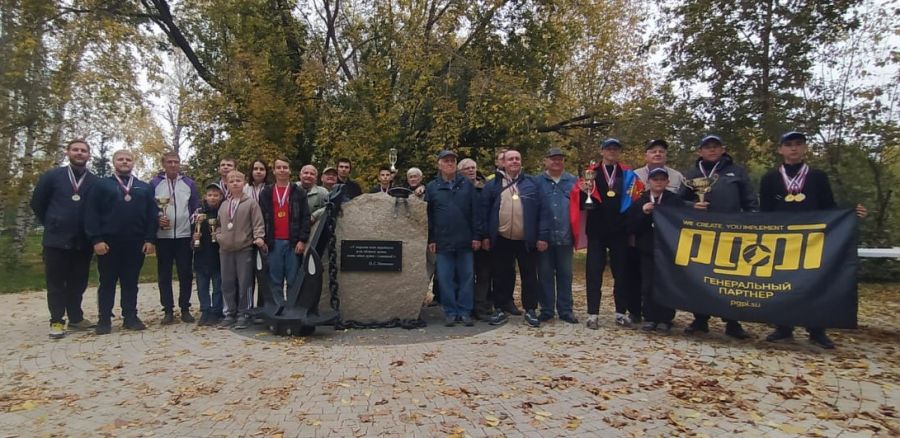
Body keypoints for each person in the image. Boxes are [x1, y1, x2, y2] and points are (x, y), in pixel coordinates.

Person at [760, 131, 868, 349]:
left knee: (814, 282)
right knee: (782, 282)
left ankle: (817, 330)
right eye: (789, 144)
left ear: (805, 148)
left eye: (798, 144)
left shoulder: (818, 176)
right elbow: (764, 212)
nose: (794, 148)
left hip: (813, 240)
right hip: (782, 240)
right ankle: (783, 327)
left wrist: (850, 214)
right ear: (780, 149)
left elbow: (829, 207)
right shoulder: (770, 178)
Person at [681, 134, 758, 339]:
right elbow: (678, 201)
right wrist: (692, 205)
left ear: (723, 149)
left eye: (716, 146)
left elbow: (750, 201)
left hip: (730, 233)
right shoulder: (692, 173)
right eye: (707, 147)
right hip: (701, 234)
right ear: (700, 151)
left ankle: (732, 322)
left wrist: (753, 222)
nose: (712, 150)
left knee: (729, 277)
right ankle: (700, 319)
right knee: (699, 276)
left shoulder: (737, 171)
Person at [570, 138, 644, 330]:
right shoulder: (591, 173)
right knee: (594, 273)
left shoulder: (627, 174)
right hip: (597, 231)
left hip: (620, 231)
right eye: (608, 148)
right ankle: (592, 314)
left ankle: (620, 313)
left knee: (621, 273)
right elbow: (579, 202)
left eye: (615, 149)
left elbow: (636, 198)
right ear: (602, 151)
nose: (612, 152)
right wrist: (583, 192)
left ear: (619, 152)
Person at [84, 149, 158, 335]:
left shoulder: (144, 187)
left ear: (133, 163)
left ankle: (130, 317)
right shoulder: (101, 185)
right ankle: (104, 319)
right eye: (120, 159)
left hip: (136, 242)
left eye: (128, 159)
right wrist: (96, 239)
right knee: (107, 282)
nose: (124, 162)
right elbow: (91, 213)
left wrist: (150, 239)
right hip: (108, 243)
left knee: (131, 282)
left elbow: (152, 215)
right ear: (114, 162)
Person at [30, 139, 98, 338]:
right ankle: (57, 321)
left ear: (88, 155)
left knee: (79, 282)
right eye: (75, 150)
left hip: (82, 241)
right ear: (68, 152)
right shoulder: (52, 176)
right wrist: (53, 222)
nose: (79, 153)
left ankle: (76, 317)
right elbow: (37, 203)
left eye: (83, 150)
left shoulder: (94, 181)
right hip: (56, 240)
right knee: (56, 283)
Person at [482, 149, 547, 327]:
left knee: (529, 276)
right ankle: (500, 309)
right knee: (500, 275)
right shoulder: (493, 184)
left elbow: (543, 211)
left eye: (517, 158)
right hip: (501, 238)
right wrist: (485, 236)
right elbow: (484, 212)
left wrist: (542, 236)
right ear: (503, 163)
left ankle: (531, 310)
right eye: (510, 159)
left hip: (526, 239)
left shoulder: (532, 183)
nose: (514, 161)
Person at [426, 150, 483, 326]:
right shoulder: (432, 187)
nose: (450, 163)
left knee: (467, 278)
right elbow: (429, 216)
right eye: (446, 161)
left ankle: (465, 312)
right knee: (445, 279)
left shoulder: (467, 185)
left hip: (465, 240)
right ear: (439, 164)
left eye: (452, 161)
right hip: (443, 242)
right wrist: (431, 239)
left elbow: (475, 212)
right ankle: (450, 312)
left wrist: (477, 236)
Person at [627, 167, 682, 332]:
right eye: (655, 179)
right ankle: (650, 317)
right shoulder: (640, 201)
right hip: (647, 249)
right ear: (648, 181)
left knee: (667, 283)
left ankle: (665, 318)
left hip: (668, 249)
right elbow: (631, 226)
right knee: (648, 284)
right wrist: (643, 213)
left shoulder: (674, 201)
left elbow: (682, 222)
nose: (658, 182)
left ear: (667, 182)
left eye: (662, 179)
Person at [150, 152, 201, 324]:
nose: (173, 165)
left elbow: (195, 207)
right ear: (163, 164)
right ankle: (168, 310)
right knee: (164, 274)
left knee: (185, 273)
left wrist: (195, 227)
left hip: (184, 236)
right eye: (169, 162)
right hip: (163, 237)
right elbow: (149, 207)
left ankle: (185, 308)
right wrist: (158, 218)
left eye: (176, 162)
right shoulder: (155, 183)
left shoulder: (188, 183)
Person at [216, 170, 266, 329]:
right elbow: (218, 224)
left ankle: (244, 313)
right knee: (227, 282)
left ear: (244, 183)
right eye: (231, 181)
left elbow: (258, 223)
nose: (235, 183)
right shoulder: (224, 205)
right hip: (225, 249)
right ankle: (229, 313)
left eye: (238, 180)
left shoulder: (251, 203)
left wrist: (259, 237)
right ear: (227, 184)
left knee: (245, 282)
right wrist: (219, 236)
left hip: (244, 248)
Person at [259, 158, 311, 309]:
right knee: (275, 279)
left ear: (290, 170)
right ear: (274, 171)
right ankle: (278, 308)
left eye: (285, 167)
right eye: (279, 167)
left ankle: (292, 309)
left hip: (293, 242)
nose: (282, 170)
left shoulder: (298, 191)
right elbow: (261, 217)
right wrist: (263, 239)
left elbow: (305, 217)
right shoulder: (266, 192)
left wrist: (302, 240)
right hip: (273, 242)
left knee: (293, 279)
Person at [536, 148, 579, 324]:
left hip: (565, 236)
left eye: (560, 159)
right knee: (545, 275)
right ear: (545, 161)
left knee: (565, 275)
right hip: (544, 238)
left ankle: (565, 310)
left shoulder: (574, 181)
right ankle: (546, 309)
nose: (557, 162)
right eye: (553, 159)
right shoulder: (537, 182)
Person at [458, 158, 492, 320]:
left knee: (484, 274)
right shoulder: (457, 188)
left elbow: (488, 213)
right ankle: (466, 306)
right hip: (464, 239)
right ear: (460, 172)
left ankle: (481, 306)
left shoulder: (485, 187)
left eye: (473, 167)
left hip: (483, 237)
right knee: (466, 276)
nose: (471, 170)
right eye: (467, 168)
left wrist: (485, 236)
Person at [192, 183, 224, 326]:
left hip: (218, 256)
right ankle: (205, 310)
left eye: (216, 195)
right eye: (210, 195)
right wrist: (194, 237)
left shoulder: (223, 212)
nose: (212, 198)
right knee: (202, 287)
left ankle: (216, 311)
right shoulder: (198, 213)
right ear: (205, 197)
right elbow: (191, 233)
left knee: (218, 287)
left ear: (220, 197)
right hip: (201, 256)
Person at [246, 159, 272, 312]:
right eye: (255, 168)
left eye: (262, 169)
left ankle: (264, 308)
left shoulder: (270, 189)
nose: (258, 171)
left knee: (264, 275)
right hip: (247, 238)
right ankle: (248, 309)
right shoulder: (245, 189)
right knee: (248, 276)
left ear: (266, 172)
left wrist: (265, 237)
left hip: (265, 238)